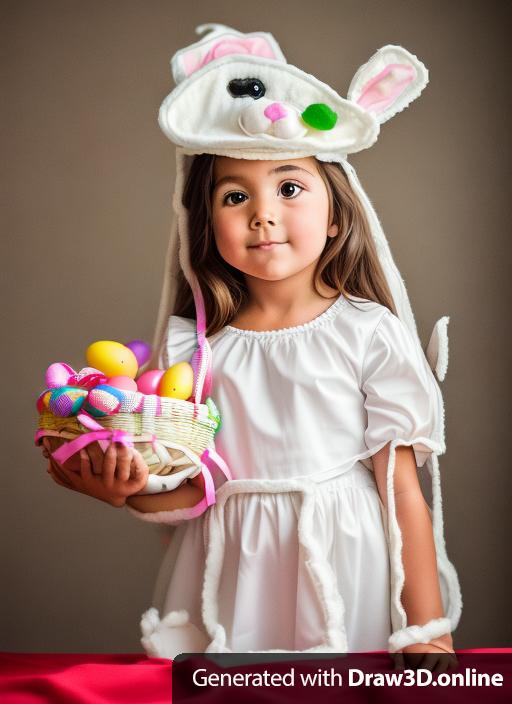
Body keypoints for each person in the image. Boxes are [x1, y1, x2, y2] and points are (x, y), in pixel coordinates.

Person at [42, 24, 461, 666]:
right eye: (236, 196)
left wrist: (427, 628)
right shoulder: (198, 349)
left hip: (344, 558)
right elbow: (197, 488)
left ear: (336, 214)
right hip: (233, 567)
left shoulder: (366, 331)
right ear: (207, 224)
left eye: (289, 188)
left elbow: (401, 486)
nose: (263, 213)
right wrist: (127, 489)